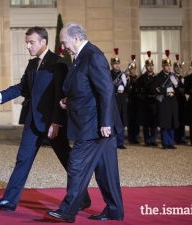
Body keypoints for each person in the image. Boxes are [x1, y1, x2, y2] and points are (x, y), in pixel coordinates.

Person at [0, 26, 91, 212]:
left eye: (31, 42)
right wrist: (0, 96)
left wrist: (56, 122)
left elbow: (61, 94)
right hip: (33, 123)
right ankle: (9, 201)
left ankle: (82, 198)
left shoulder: (58, 63)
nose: (28, 46)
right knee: (22, 160)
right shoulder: (32, 64)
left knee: (68, 161)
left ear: (43, 42)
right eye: (27, 43)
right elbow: (22, 87)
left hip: (53, 124)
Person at [46, 22, 124, 223]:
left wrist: (106, 122)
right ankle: (115, 210)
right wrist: (68, 101)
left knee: (76, 165)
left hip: (95, 125)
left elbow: (106, 90)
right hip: (92, 123)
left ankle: (67, 210)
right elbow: (85, 90)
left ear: (76, 38)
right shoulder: (80, 57)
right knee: (106, 171)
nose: (63, 47)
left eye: (64, 42)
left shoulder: (93, 55)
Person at [150, 50, 179, 149]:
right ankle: (165, 143)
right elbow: (154, 89)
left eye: (169, 66)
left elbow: (178, 89)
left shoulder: (172, 76)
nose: (168, 67)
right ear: (163, 66)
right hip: (164, 103)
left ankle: (170, 142)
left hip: (172, 102)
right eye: (166, 66)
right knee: (165, 123)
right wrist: (166, 90)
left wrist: (176, 84)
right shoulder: (158, 77)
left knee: (171, 123)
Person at [136, 51, 158, 147]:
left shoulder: (157, 77)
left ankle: (153, 139)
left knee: (154, 122)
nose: (150, 67)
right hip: (146, 102)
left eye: (151, 65)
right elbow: (139, 90)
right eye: (148, 66)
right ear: (146, 67)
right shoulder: (142, 78)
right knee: (146, 123)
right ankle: (147, 140)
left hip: (154, 101)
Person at [110, 48, 131, 149]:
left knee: (122, 121)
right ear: (112, 65)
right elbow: (109, 88)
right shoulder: (109, 74)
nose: (117, 65)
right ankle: (113, 142)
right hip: (115, 99)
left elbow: (128, 90)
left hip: (122, 100)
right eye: (115, 64)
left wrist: (126, 81)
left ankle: (120, 142)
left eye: (118, 63)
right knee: (114, 122)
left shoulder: (123, 75)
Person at [173, 54, 187, 144]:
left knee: (182, 119)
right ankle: (175, 137)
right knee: (175, 119)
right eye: (177, 67)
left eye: (180, 67)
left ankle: (182, 138)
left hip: (182, 100)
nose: (178, 69)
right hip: (175, 100)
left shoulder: (183, 78)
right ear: (174, 68)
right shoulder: (172, 78)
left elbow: (186, 88)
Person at [127, 55, 140, 144]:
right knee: (130, 121)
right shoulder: (128, 78)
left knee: (137, 120)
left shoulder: (137, 78)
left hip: (137, 101)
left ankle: (136, 137)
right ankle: (131, 138)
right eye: (132, 69)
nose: (133, 71)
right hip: (130, 101)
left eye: (134, 69)